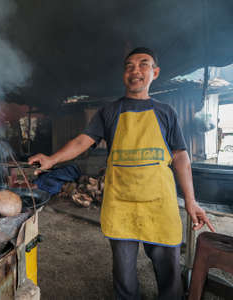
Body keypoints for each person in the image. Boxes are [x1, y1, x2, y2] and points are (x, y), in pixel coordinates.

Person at [28, 47, 215, 300]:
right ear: (123, 74)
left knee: (169, 272)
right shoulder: (109, 111)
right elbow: (83, 141)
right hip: (121, 203)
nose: (135, 70)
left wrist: (191, 201)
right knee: (124, 276)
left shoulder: (166, 112)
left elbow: (181, 157)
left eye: (143, 64)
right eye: (129, 66)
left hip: (159, 203)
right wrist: (51, 159)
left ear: (155, 72)